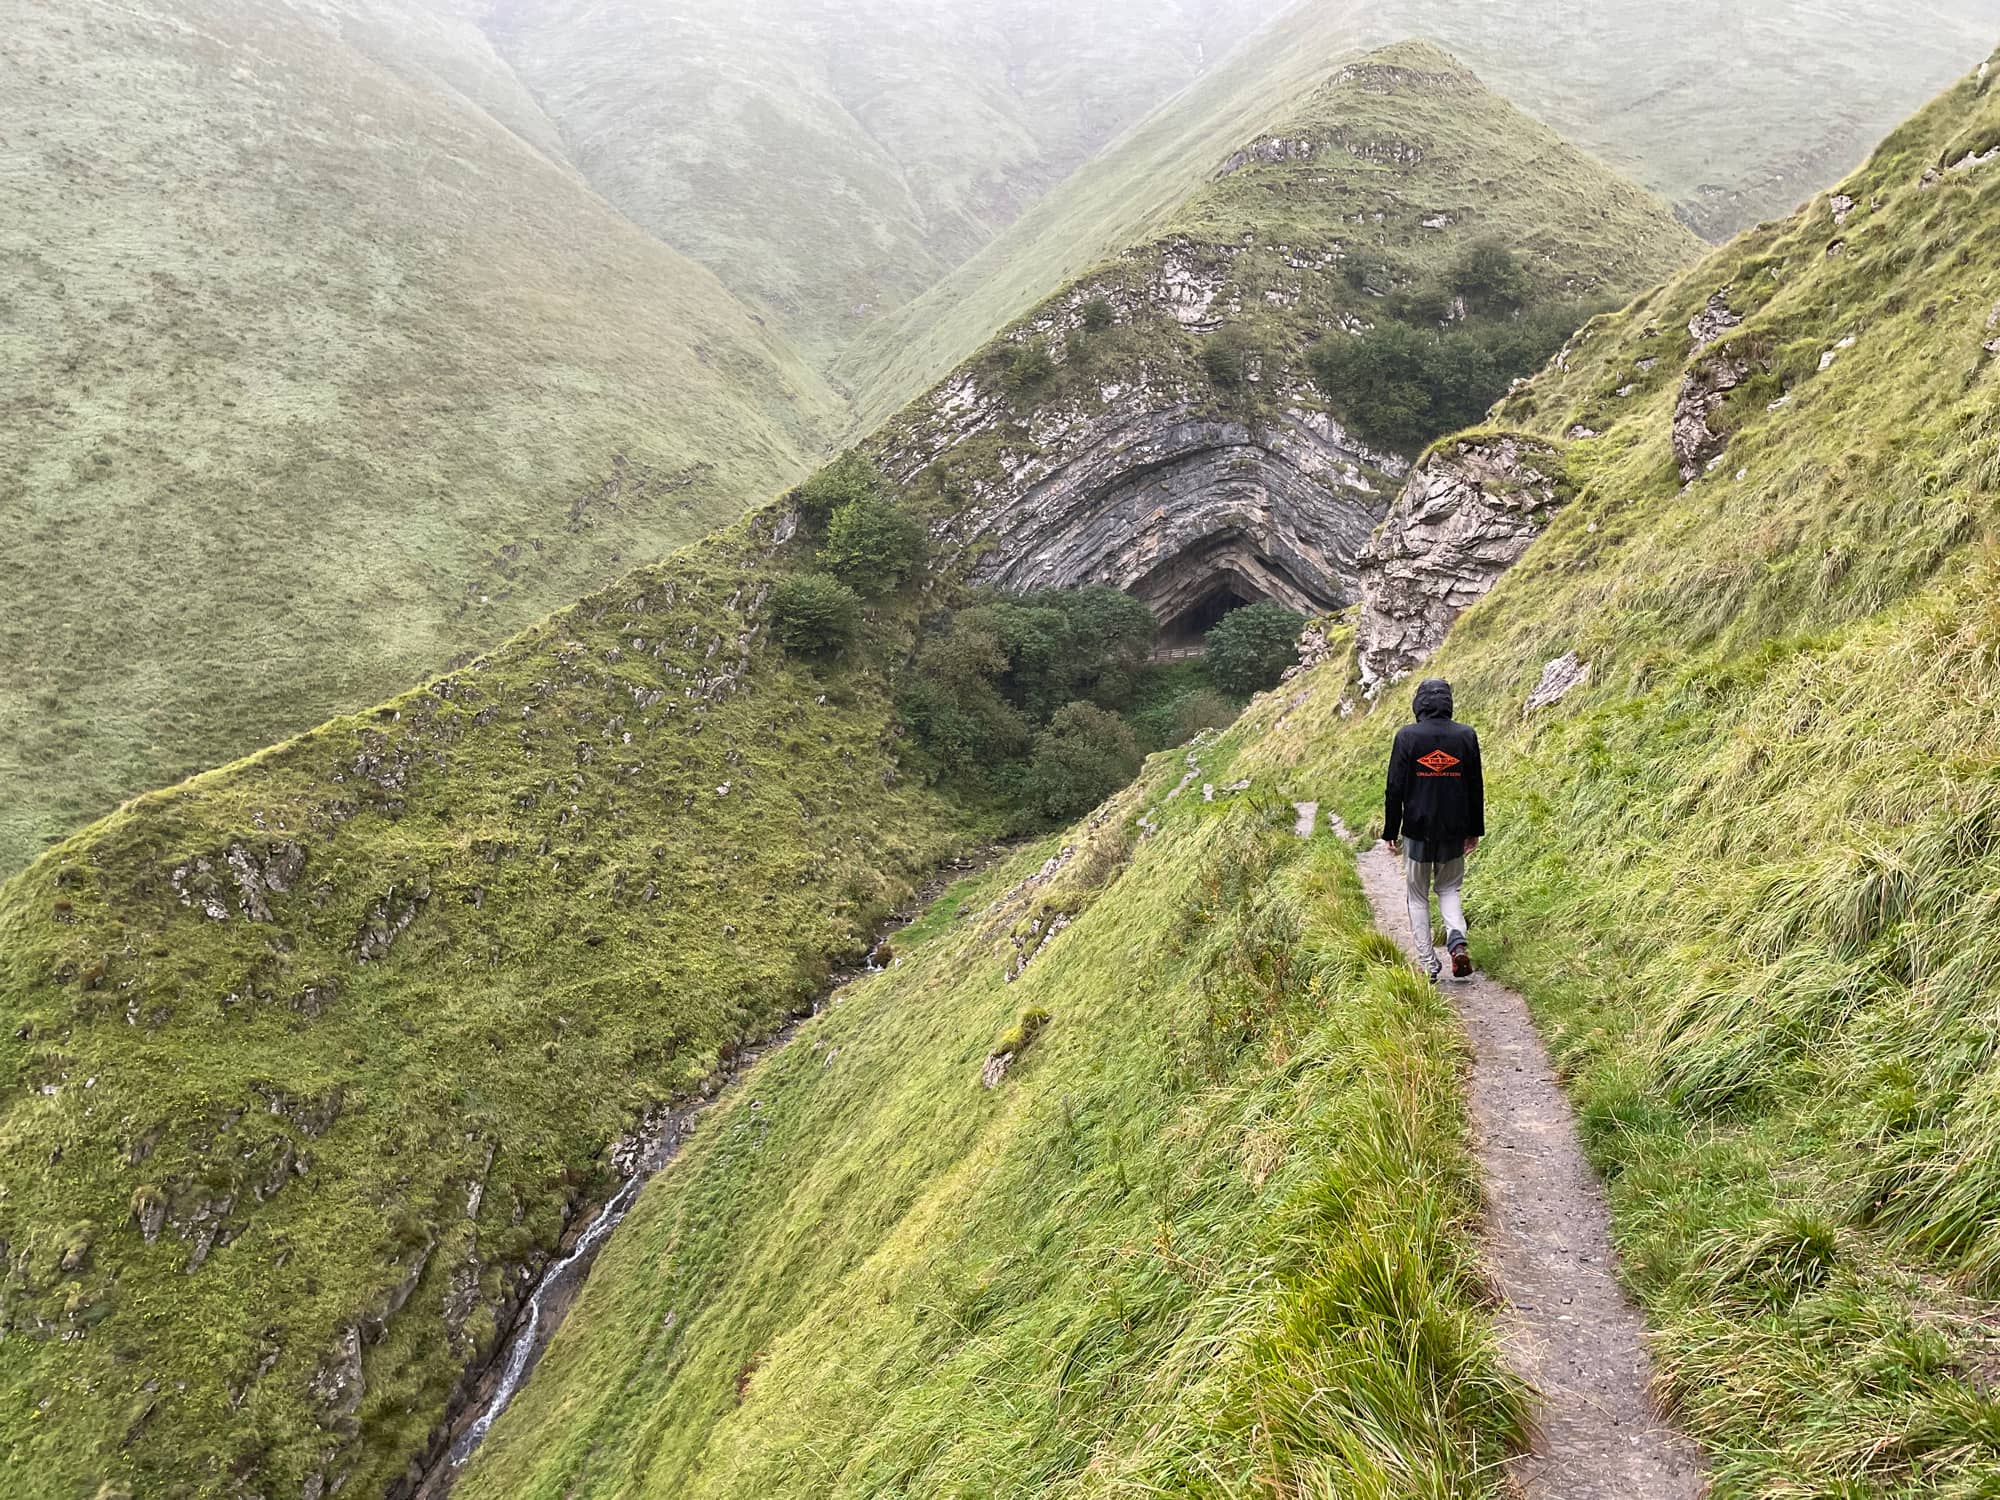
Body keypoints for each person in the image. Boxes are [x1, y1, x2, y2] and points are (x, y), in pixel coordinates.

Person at [1381, 677, 1483, 982]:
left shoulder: (1407, 737)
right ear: (1448, 702)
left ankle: (1428, 964)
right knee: (1449, 888)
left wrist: (1390, 830)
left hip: (1417, 831)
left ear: (1419, 703)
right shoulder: (1466, 735)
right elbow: (1475, 786)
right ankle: (1457, 942)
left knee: (1417, 897)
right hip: (1454, 829)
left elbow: (1394, 788)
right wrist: (1474, 829)